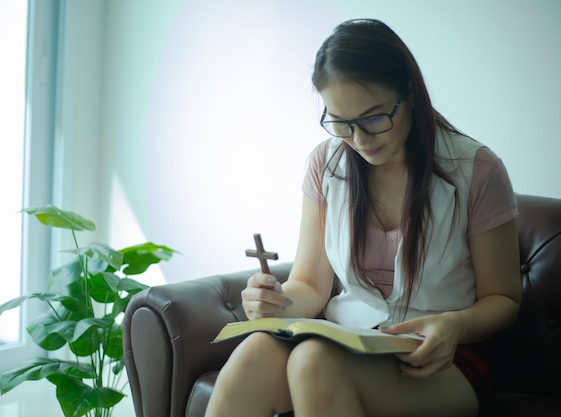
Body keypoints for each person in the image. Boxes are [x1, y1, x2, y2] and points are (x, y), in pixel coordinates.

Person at [204, 18, 520, 417]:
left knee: (313, 362)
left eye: (373, 119)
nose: (359, 140)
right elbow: (310, 285)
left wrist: (454, 326)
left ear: (409, 93)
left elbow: (503, 298)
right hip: (349, 338)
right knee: (254, 353)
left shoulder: (476, 171)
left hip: (442, 355)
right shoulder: (326, 164)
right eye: (341, 123)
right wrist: (277, 302)